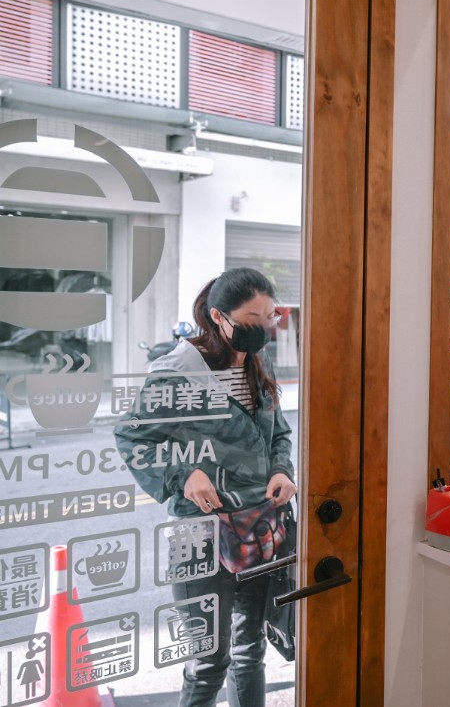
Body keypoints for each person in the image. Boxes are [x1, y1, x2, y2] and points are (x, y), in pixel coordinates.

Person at [116, 267, 296, 707]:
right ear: (219, 317)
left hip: (258, 527)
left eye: (269, 316)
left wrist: (281, 470)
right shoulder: (176, 372)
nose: (264, 327)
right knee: (207, 661)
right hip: (200, 534)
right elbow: (133, 437)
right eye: (253, 318)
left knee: (249, 651)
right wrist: (182, 474)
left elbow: (278, 435)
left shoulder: (257, 364)